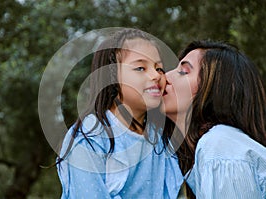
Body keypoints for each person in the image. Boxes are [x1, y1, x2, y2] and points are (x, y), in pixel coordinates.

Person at [56, 28, 184, 199]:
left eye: (159, 68)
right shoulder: (90, 137)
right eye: (140, 68)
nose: (156, 75)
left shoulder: (160, 138)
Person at [161, 40, 266, 198]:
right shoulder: (212, 150)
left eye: (183, 71)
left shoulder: (219, 146)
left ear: (216, 89)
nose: (165, 76)